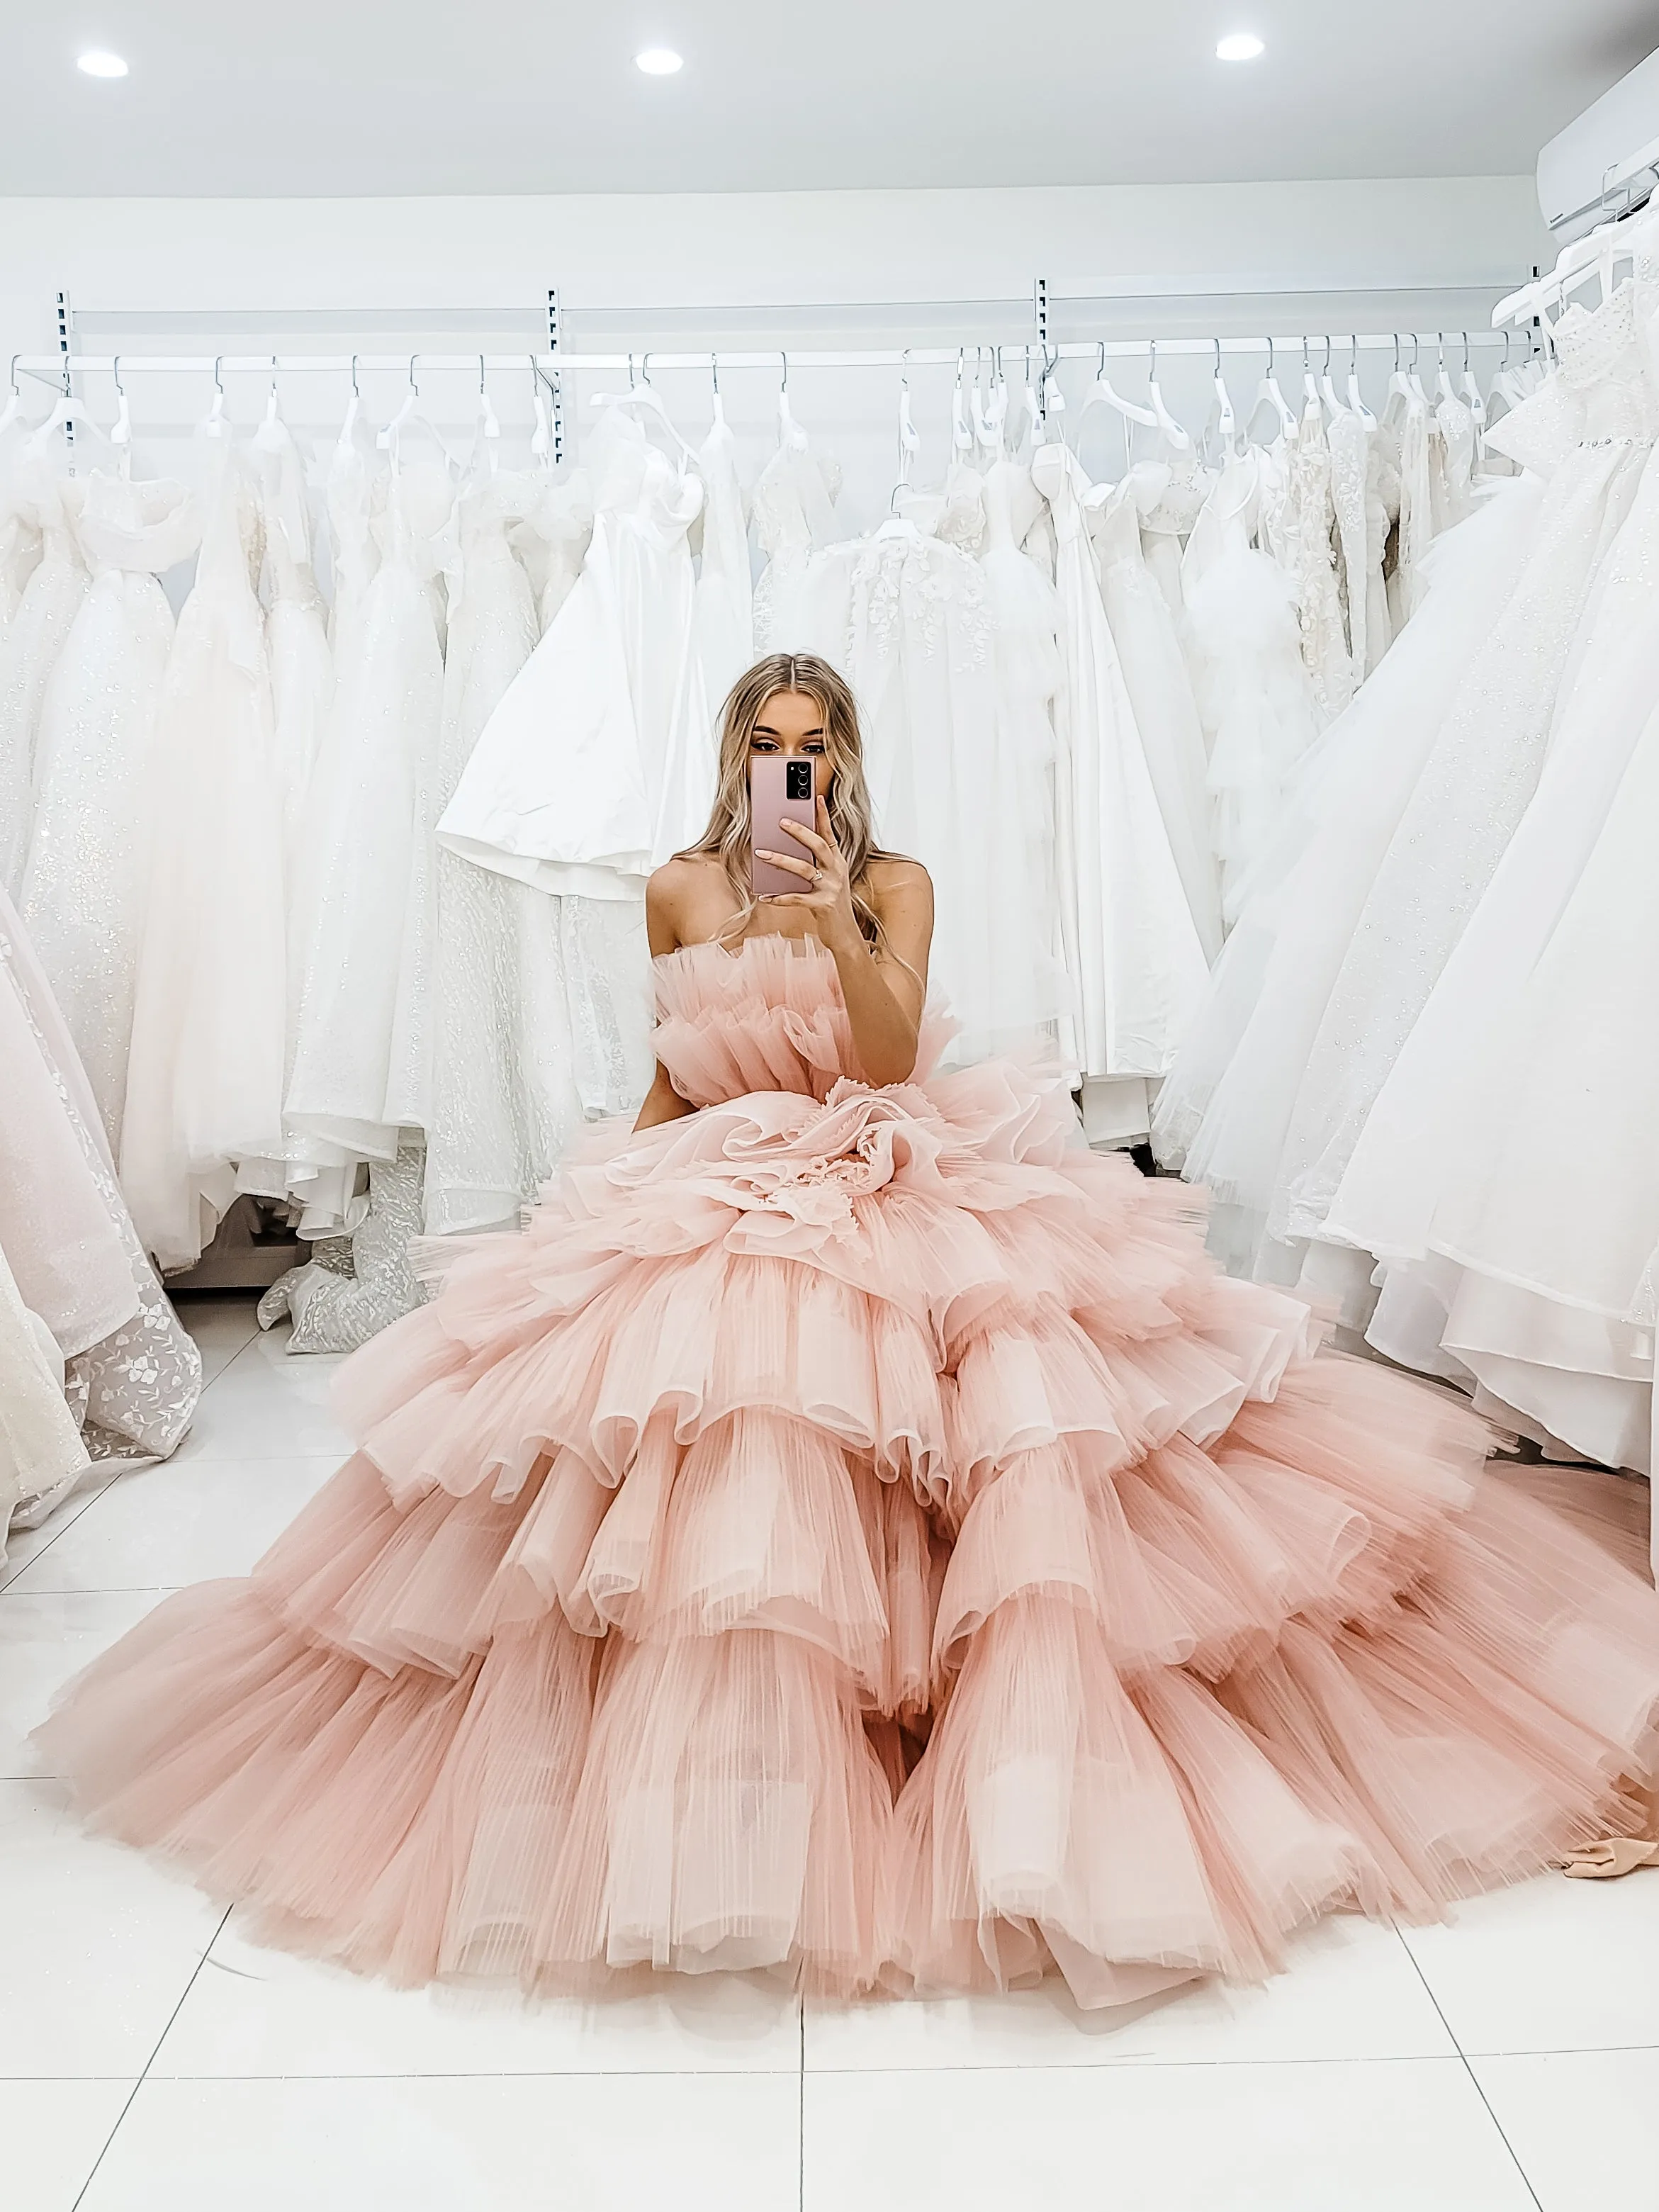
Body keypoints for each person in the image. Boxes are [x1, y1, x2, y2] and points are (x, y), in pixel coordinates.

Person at [38, 653, 1659, 2010]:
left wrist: (830, 919)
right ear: (734, 754)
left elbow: (883, 1054)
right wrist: (614, 1179)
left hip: (885, 1161)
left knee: (989, 1456)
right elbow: (676, 1068)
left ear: (848, 762)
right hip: (715, 1175)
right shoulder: (675, 885)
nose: (793, 771)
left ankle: (960, 1769)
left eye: (817, 749)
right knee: (682, 1470)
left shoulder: (893, 882)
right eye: (769, 747)